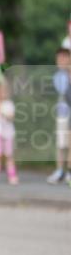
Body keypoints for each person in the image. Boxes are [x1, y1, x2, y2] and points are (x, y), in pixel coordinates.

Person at [48, 47, 71, 184]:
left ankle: (69, 171)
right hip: (62, 114)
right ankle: (59, 171)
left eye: (64, 57)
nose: (61, 60)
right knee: (61, 144)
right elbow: (62, 89)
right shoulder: (58, 76)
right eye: (59, 58)